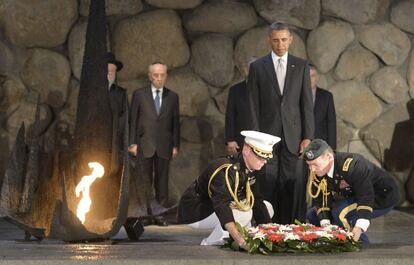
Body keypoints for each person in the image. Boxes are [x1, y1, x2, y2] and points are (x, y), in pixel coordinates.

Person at [248, 21, 314, 224]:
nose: (280, 44)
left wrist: (307, 137)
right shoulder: (258, 67)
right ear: (269, 40)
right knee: (267, 182)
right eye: (276, 40)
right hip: (267, 138)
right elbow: (253, 106)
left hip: (293, 137)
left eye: (284, 40)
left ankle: (291, 226)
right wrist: (255, 139)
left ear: (290, 40)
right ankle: (267, 226)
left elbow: (306, 104)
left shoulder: (301, 66)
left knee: (292, 182)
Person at [177, 130, 280, 248]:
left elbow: (256, 199)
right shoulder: (224, 169)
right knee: (245, 213)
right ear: (246, 151)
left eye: (266, 157)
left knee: (267, 207)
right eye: (260, 156)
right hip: (197, 211)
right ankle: (213, 242)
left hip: (217, 208)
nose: (264, 161)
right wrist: (239, 240)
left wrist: (270, 232)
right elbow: (221, 205)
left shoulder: (252, 167)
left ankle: (245, 234)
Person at [304, 139, 399, 242]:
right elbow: (321, 199)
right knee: (313, 215)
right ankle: (331, 243)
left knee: (339, 213)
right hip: (356, 195)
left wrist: (359, 227)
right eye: (309, 165)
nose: (312, 169)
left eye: (315, 164)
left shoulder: (353, 165)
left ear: (329, 157)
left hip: (382, 195)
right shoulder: (319, 169)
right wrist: (326, 225)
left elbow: (365, 196)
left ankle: (358, 244)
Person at [129, 62, 180, 225]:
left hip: (164, 145)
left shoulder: (172, 96)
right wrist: (132, 143)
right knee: (144, 180)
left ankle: (160, 214)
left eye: (162, 75)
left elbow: (175, 122)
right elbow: (134, 120)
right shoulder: (139, 94)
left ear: (166, 76)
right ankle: (145, 214)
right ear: (150, 76)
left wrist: (175, 145)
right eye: (156, 75)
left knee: (162, 181)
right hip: (144, 144)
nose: (159, 78)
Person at [225, 57, 257, 155]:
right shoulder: (235, 90)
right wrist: (230, 139)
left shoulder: (270, 90)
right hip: (241, 142)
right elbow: (230, 116)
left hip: (264, 143)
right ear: (245, 70)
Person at [107, 52, 128, 176]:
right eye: (107, 70)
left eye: (113, 71)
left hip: (113, 146)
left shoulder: (121, 94)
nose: (110, 73)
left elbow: (124, 119)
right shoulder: (91, 94)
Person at [310, 64, 336, 149]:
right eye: (306, 76)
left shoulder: (327, 96)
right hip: (298, 146)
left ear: (317, 78)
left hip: (320, 145)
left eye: (312, 76)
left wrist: (332, 149)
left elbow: (331, 123)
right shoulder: (295, 96)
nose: (310, 79)